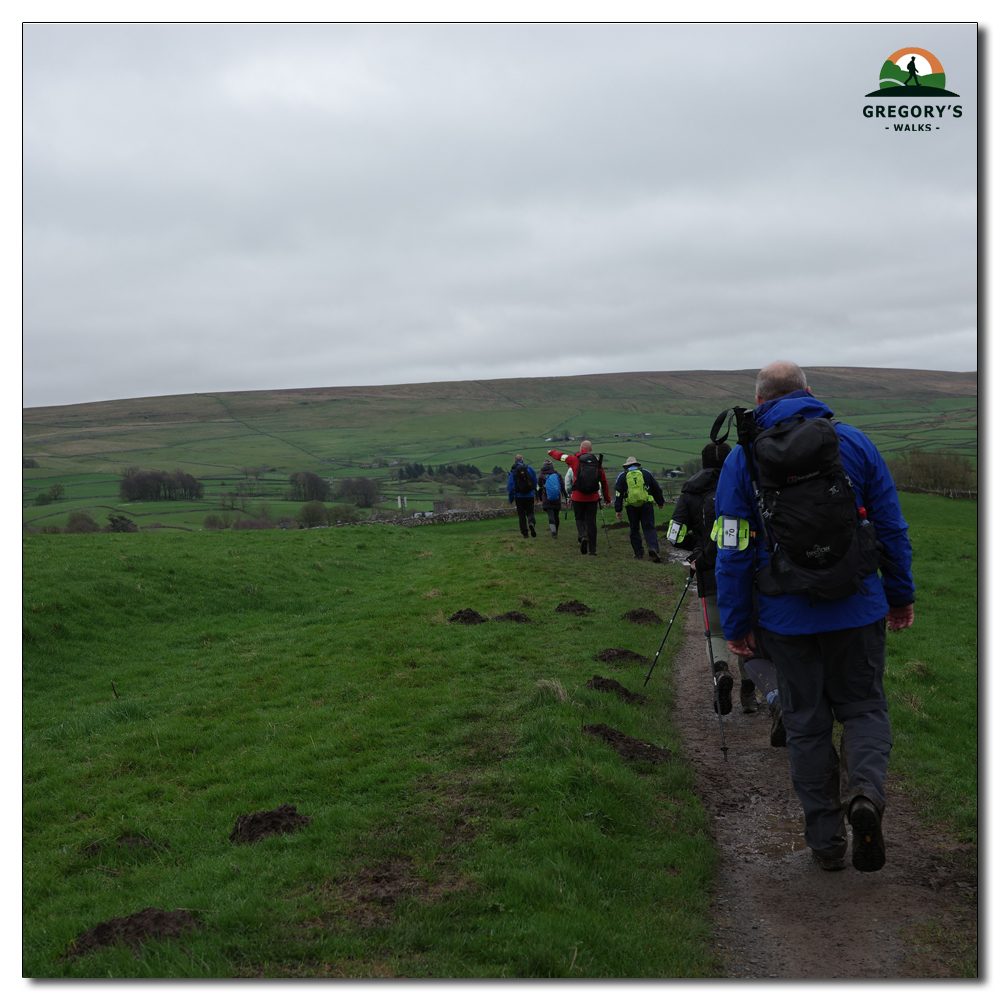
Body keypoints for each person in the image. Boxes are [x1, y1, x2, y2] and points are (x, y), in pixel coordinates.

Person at [715, 361, 914, 873]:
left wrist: (736, 624)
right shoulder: (856, 442)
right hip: (857, 606)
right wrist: (899, 596)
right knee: (865, 708)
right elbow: (891, 526)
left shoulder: (742, 459)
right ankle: (866, 795)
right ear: (810, 393)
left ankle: (827, 843)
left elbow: (733, 549)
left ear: (759, 404)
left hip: (786, 617)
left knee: (805, 727)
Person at [668, 442, 761, 716]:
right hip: (745, 569)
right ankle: (749, 693)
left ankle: (721, 673)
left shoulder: (689, 492)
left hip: (708, 571)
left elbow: (673, 535)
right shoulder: (742, 486)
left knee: (716, 632)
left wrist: (695, 550)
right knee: (747, 631)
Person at [548, 440, 611, 556]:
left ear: (580, 448)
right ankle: (593, 550)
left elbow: (561, 456)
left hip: (577, 497)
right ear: (590, 449)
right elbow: (604, 481)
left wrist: (551, 452)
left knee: (579, 519)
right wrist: (607, 497)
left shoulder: (574, 459)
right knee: (591, 522)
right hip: (592, 497)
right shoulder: (597, 462)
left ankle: (582, 536)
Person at [613, 457, 665, 562]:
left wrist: (618, 510)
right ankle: (653, 548)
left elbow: (618, 493)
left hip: (631, 506)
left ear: (627, 466)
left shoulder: (622, 476)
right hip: (646, 504)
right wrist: (660, 502)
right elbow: (656, 488)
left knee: (634, 528)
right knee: (649, 527)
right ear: (637, 465)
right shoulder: (646, 473)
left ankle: (638, 553)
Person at [507, 454, 538, 538]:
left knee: (521, 515)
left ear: (515, 462)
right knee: (530, 512)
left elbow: (510, 486)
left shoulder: (513, 471)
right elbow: (535, 482)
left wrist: (511, 499)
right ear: (523, 461)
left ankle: (525, 534)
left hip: (519, 496)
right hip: (530, 495)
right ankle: (531, 523)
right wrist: (536, 494)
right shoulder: (530, 469)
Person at [536, 458, 567, 538]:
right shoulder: (557, 474)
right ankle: (556, 531)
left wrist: (540, 497)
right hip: (557, 498)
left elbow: (539, 486)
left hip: (547, 499)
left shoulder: (541, 475)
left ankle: (553, 531)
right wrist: (565, 495)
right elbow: (562, 486)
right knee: (556, 516)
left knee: (551, 515)